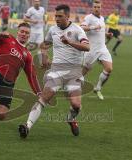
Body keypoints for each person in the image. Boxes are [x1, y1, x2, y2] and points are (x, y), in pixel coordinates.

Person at [19, 4, 90, 138]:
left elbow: (87, 47)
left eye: (60, 16)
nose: (56, 18)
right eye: (55, 16)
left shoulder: (77, 30)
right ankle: (27, 126)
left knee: (76, 105)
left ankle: (71, 118)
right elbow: (44, 45)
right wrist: (45, 57)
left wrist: (69, 42)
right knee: (44, 98)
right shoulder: (53, 30)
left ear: (68, 16)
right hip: (56, 70)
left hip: (74, 72)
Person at [81, 0, 113, 100]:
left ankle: (98, 87)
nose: (96, 8)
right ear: (92, 7)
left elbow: (100, 31)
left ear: (101, 8)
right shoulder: (89, 18)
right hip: (92, 49)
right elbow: (82, 27)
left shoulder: (102, 18)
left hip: (102, 48)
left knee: (109, 69)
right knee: (84, 71)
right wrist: (94, 27)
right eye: (95, 7)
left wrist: (107, 34)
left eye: (98, 7)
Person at [24, 0, 46, 65]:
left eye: (38, 1)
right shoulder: (30, 10)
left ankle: (39, 62)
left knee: (40, 46)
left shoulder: (42, 9)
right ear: (33, 3)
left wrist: (45, 20)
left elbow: (45, 15)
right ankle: (26, 60)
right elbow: (25, 19)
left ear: (40, 2)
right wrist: (32, 21)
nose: (37, 2)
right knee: (30, 47)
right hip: (33, 30)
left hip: (40, 30)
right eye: (35, 1)